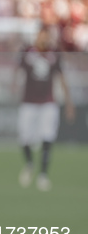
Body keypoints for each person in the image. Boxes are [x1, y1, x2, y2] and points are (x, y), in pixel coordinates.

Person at [15, 25, 75, 191]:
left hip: (48, 102)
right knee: (24, 138)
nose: (43, 39)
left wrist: (69, 103)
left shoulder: (54, 54)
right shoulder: (27, 52)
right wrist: (14, 85)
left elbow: (62, 78)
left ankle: (43, 175)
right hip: (28, 102)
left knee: (47, 137)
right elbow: (18, 70)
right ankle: (29, 164)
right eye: (41, 35)